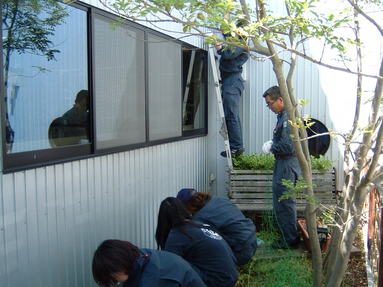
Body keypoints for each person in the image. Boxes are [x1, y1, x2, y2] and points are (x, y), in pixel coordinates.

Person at [155, 197, 238, 287]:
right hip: (230, 275)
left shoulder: (177, 235)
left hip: (217, 280)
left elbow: (169, 267)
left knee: (175, 267)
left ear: (163, 219)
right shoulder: (199, 224)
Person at [262, 86, 301, 249]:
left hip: (287, 164)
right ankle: (287, 236)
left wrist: (272, 147)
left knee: (285, 202)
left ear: (281, 100)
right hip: (283, 163)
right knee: (282, 202)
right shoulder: (282, 116)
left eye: (270, 103)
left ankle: (289, 240)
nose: (269, 107)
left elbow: (287, 146)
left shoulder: (288, 118)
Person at [176, 188, 258, 265]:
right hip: (253, 241)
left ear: (187, 206)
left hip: (241, 252)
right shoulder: (219, 200)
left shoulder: (200, 219)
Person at [92, 239, 207, 287]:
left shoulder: (154, 280)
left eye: (113, 278)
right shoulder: (140, 256)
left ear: (120, 266)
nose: (114, 281)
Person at [215, 22, 249, 158]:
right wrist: (225, 15)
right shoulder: (235, 42)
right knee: (231, 115)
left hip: (233, 81)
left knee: (231, 115)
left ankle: (236, 147)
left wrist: (218, 48)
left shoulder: (241, 44)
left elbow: (228, 54)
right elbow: (226, 32)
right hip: (230, 81)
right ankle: (236, 146)